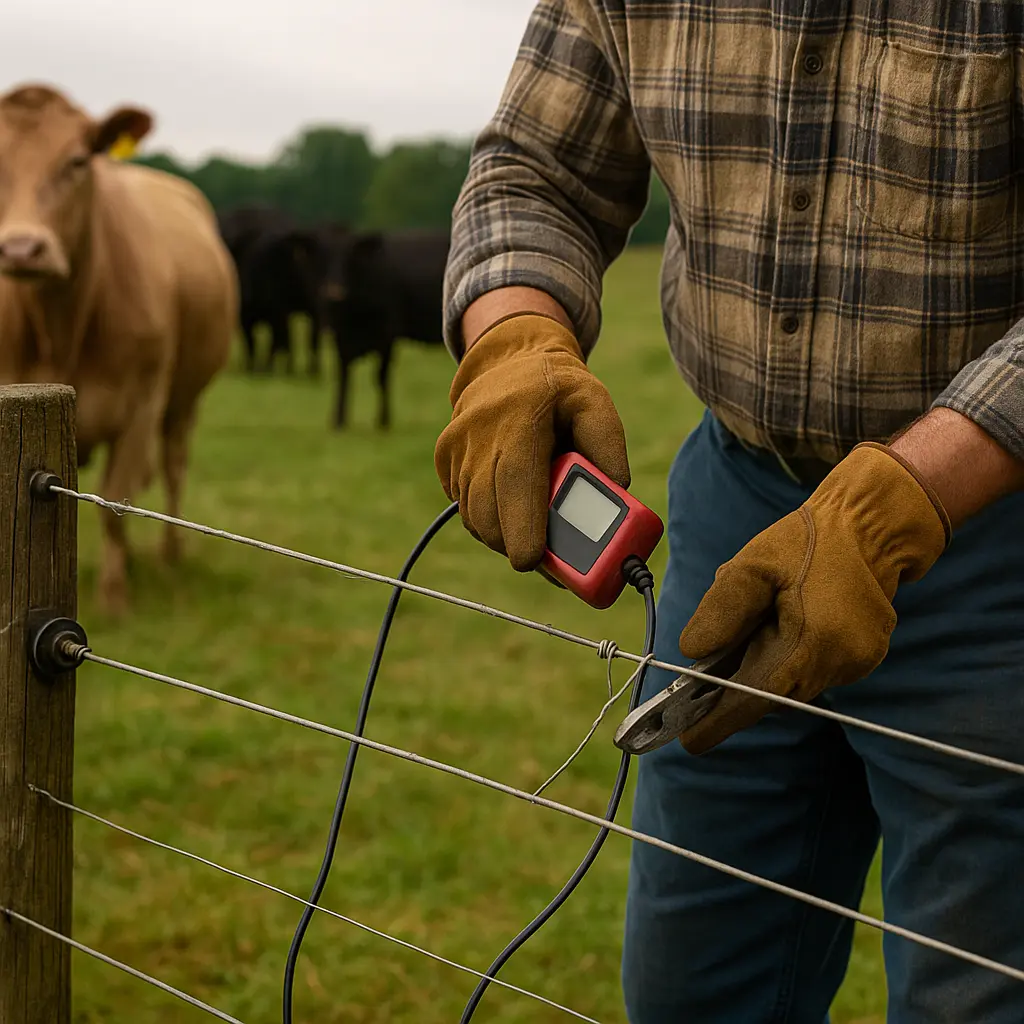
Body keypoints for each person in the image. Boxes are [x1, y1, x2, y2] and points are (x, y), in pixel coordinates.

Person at [433, 2, 1024, 1021]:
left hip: (999, 536)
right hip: (736, 505)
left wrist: (913, 492)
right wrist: (513, 335)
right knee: (693, 986)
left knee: (979, 994)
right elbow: (538, 171)